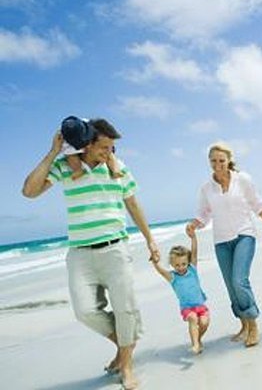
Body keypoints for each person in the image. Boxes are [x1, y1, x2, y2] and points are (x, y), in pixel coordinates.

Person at [22, 119, 159, 390]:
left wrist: (150, 240)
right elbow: (29, 192)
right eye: (104, 147)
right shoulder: (64, 167)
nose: (109, 152)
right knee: (85, 311)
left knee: (125, 309)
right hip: (80, 253)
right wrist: (52, 153)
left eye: (111, 148)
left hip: (115, 247)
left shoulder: (118, 170)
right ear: (87, 144)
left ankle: (127, 364)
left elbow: (132, 204)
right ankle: (124, 345)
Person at [186, 143, 262, 348]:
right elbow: (204, 214)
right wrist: (193, 224)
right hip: (221, 241)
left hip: (244, 234)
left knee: (239, 280)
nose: (217, 165)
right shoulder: (207, 187)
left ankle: (253, 325)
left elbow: (257, 204)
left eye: (221, 160)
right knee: (230, 286)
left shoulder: (243, 179)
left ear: (229, 160)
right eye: (213, 161)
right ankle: (243, 325)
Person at [151, 230, 209, 354]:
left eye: (183, 264)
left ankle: (197, 340)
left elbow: (194, 253)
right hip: (187, 308)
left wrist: (193, 238)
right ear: (172, 264)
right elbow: (161, 271)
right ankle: (195, 345)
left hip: (200, 305)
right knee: (193, 319)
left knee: (204, 323)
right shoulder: (173, 277)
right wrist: (155, 262)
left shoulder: (192, 270)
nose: (181, 267)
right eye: (177, 265)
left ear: (188, 262)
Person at [61, 115, 122, 180]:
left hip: (84, 139)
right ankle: (78, 170)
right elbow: (69, 154)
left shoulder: (87, 124)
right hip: (74, 146)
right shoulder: (66, 142)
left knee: (110, 155)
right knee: (71, 156)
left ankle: (116, 170)